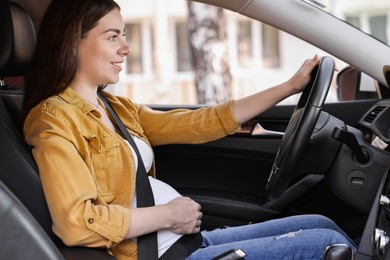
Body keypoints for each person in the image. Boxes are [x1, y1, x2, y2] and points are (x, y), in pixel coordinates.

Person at [22, 0, 357, 259]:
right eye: (113, 37)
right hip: (160, 252)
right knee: (326, 243)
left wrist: (287, 87)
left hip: (185, 242)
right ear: (73, 43)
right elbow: (77, 223)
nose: (125, 48)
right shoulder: (53, 120)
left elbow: (200, 122)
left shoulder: (116, 107)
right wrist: (167, 216)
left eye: (124, 35)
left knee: (320, 224)